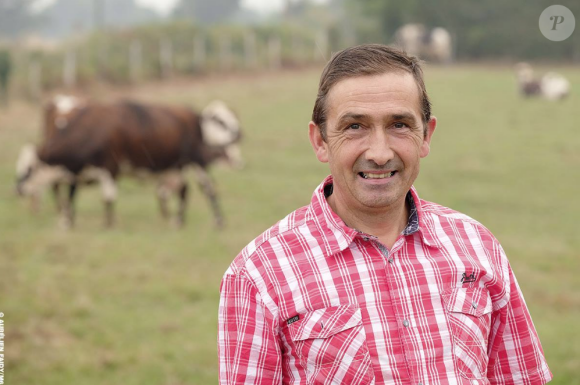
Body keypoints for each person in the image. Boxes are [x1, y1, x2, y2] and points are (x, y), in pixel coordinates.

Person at [218, 44, 551, 385]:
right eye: (354, 127)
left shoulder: (477, 245)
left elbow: (522, 377)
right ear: (319, 141)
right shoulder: (258, 275)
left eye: (399, 125)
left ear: (426, 135)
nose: (379, 153)